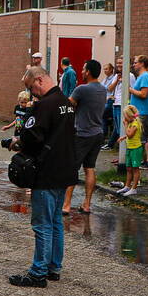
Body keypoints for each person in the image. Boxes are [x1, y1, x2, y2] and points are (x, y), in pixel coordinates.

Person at [8, 66, 75, 288]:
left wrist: (17, 143)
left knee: (42, 224)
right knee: (55, 221)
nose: (31, 93)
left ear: (39, 80)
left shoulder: (44, 106)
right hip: (63, 170)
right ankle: (54, 267)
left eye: (30, 88)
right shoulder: (66, 102)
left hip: (46, 172)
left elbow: (31, 138)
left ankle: (38, 273)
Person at [63, 59, 107, 215]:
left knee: (71, 169)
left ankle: (66, 205)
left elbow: (68, 104)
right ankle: (87, 204)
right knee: (90, 168)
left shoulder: (82, 89)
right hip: (98, 133)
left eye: (83, 69)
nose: (81, 71)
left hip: (82, 134)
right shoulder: (103, 89)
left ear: (88, 72)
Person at [129, 54, 148, 168]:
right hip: (138, 111)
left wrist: (130, 90)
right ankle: (143, 159)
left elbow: (144, 94)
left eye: (135, 62)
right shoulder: (140, 76)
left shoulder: (145, 76)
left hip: (143, 111)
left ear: (142, 63)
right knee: (141, 136)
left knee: (144, 136)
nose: (133, 65)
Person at [116, 105, 143, 196]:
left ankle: (134, 188)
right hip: (130, 148)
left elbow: (130, 134)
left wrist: (125, 125)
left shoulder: (135, 123)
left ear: (130, 115)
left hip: (136, 149)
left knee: (135, 169)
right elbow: (129, 134)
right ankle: (127, 186)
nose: (124, 118)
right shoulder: (131, 123)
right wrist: (123, 137)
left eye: (125, 116)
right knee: (128, 168)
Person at [101, 61, 118, 149]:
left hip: (110, 102)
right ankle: (102, 137)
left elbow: (109, 89)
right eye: (104, 69)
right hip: (104, 101)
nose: (105, 71)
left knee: (102, 115)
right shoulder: (106, 78)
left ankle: (102, 137)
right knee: (102, 117)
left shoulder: (113, 78)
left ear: (111, 69)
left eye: (107, 69)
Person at [108, 58, 124, 149]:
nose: (118, 65)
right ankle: (120, 153)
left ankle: (122, 154)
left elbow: (132, 89)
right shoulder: (116, 76)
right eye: (117, 63)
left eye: (121, 63)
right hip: (115, 104)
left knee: (121, 131)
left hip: (122, 105)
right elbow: (110, 88)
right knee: (118, 130)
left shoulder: (130, 75)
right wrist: (117, 80)